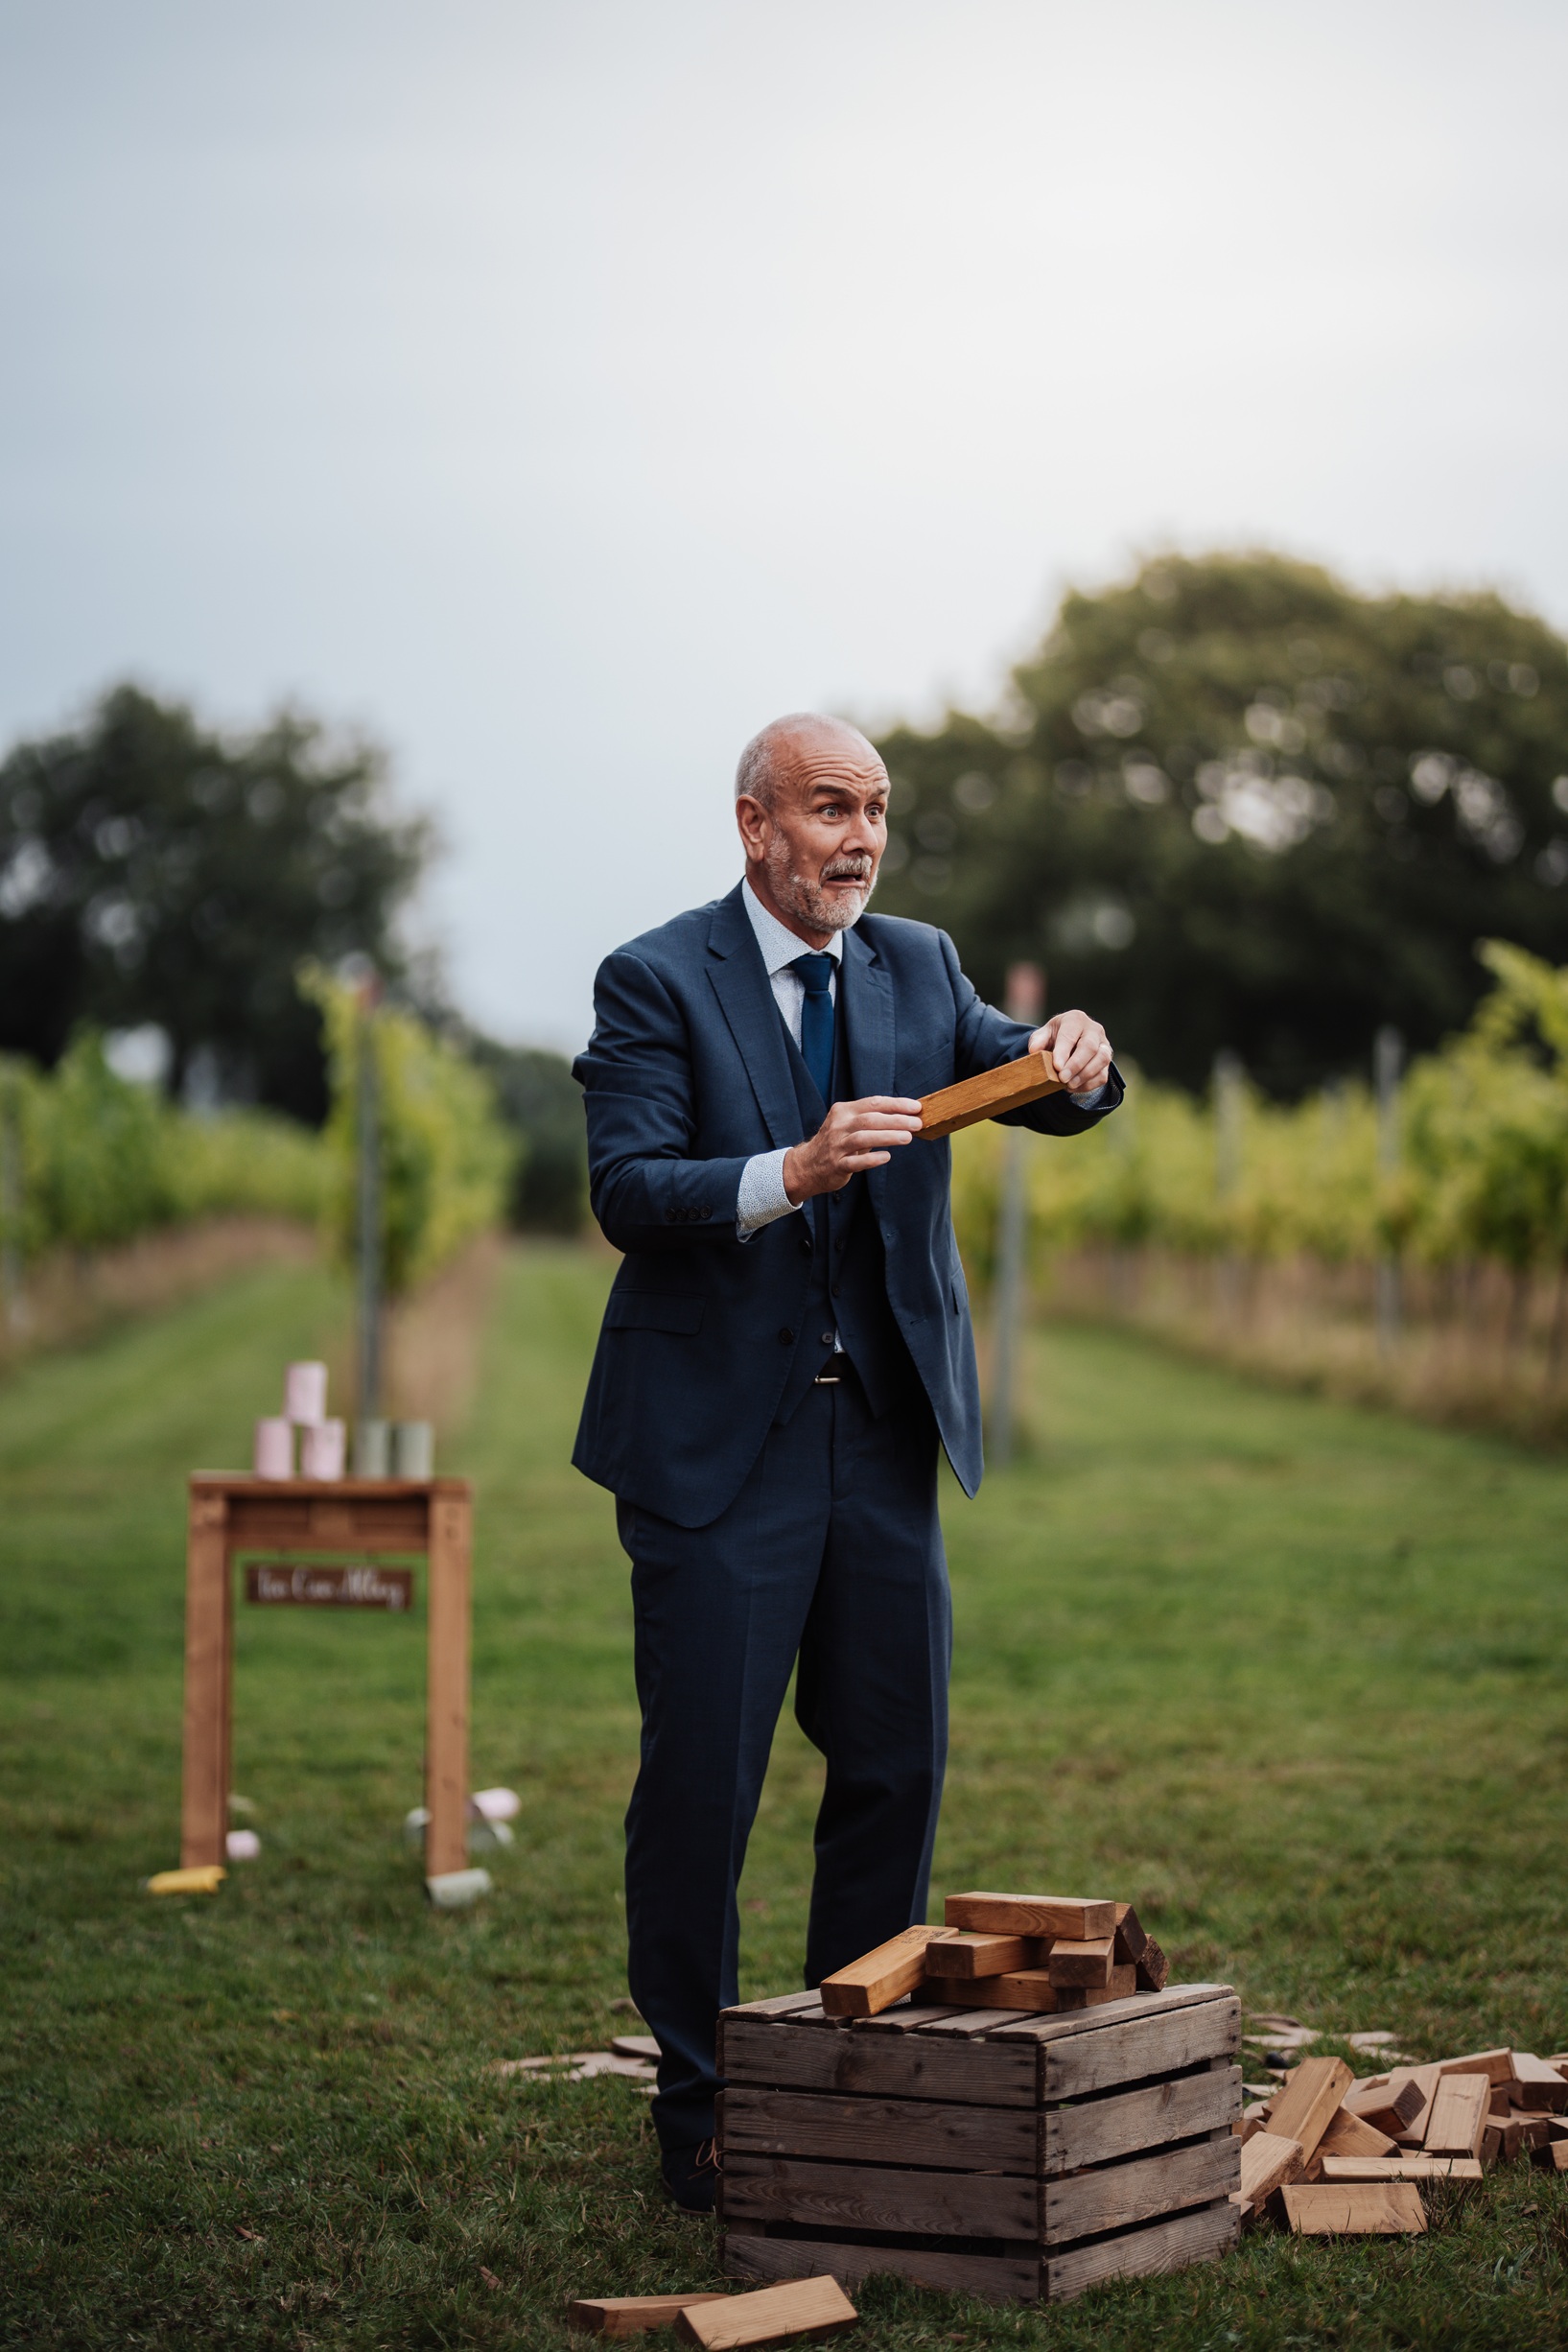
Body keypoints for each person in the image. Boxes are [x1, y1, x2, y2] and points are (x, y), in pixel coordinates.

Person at [572, 714, 1121, 2211]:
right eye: (830, 810)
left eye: (877, 811)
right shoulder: (655, 975)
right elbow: (629, 1187)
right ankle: (698, 2103)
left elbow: (1021, 1074)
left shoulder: (919, 965)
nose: (861, 840)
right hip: (714, 1458)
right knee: (705, 1786)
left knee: (893, 1767)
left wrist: (1073, 1058)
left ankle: (841, 2074)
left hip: (879, 1439)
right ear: (755, 826)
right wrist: (789, 1171)